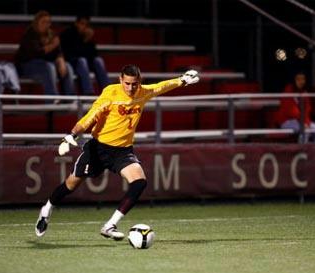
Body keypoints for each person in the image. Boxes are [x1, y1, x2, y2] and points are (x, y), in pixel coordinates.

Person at [35, 65, 199, 239]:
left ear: (139, 82)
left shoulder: (143, 92)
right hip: (98, 149)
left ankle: (110, 225)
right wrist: (72, 135)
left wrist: (182, 80)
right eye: (127, 83)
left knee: (139, 182)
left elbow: (162, 86)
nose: (130, 88)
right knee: (71, 184)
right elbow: (91, 115)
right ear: (120, 80)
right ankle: (46, 210)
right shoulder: (110, 94)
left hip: (122, 151)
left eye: (134, 84)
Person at [15, 10, 76, 100]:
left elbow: (58, 51)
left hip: (45, 65)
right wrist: (52, 45)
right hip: (27, 66)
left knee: (67, 66)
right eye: (43, 22)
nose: (46, 25)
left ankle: (70, 98)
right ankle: (52, 99)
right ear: (36, 23)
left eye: (48, 22)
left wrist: (61, 60)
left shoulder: (51, 34)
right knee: (48, 66)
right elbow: (37, 53)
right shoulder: (30, 34)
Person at [60, 14, 110, 95]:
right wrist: (85, 40)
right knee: (82, 60)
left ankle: (108, 92)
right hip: (71, 62)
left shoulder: (86, 35)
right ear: (76, 23)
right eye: (82, 24)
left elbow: (93, 54)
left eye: (86, 25)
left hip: (85, 63)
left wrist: (88, 40)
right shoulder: (68, 33)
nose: (84, 27)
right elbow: (73, 53)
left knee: (98, 60)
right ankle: (88, 92)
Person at [276, 72, 315, 143]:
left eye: (303, 79)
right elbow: (292, 111)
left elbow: (307, 109)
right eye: (298, 79)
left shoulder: (304, 92)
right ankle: (302, 151)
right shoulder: (288, 90)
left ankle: (314, 151)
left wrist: (306, 122)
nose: (301, 82)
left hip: (301, 120)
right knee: (305, 131)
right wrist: (304, 123)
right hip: (286, 121)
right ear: (294, 80)